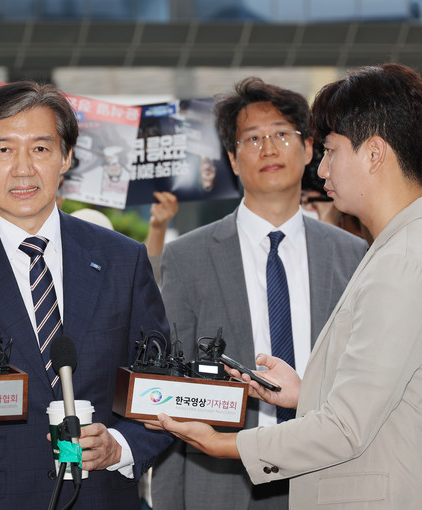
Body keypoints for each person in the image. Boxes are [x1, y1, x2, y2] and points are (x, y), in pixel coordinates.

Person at [148, 63, 422, 509]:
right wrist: (306, 393)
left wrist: (223, 444)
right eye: (253, 138)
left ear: (373, 153)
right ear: (232, 158)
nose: (324, 169)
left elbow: (346, 425)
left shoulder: (398, 257)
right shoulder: (392, 249)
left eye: (330, 151)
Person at [0, 81, 172, 510]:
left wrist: (120, 445)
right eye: (4, 150)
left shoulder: (122, 260)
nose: (23, 169)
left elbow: (161, 388)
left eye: (40, 149)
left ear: (67, 157)